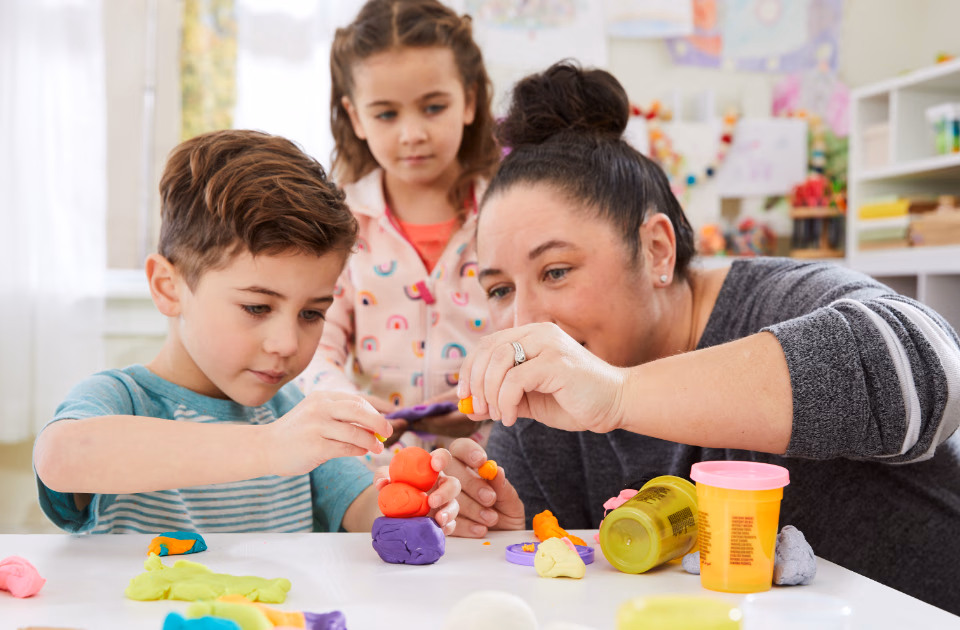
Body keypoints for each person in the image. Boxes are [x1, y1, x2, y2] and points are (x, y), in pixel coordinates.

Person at [445, 63, 960, 614]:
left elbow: (932, 373)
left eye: (556, 272)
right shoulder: (540, 417)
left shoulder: (778, 299)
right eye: (499, 289)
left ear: (657, 250)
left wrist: (620, 394)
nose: (525, 319)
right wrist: (493, 527)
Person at [33, 130, 460, 535]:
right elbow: (59, 457)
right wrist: (268, 448)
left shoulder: (293, 413)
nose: (287, 344)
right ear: (169, 288)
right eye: (257, 307)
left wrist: (424, 499)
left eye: (311, 313)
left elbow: (368, 511)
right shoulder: (122, 400)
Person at [298, 0, 500, 466]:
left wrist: (490, 402)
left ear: (468, 101)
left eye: (433, 107)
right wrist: (353, 409)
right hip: (376, 471)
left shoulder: (505, 214)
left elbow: (538, 336)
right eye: (387, 114)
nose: (412, 133)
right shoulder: (339, 223)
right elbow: (314, 347)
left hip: (496, 464)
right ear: (355, 116)